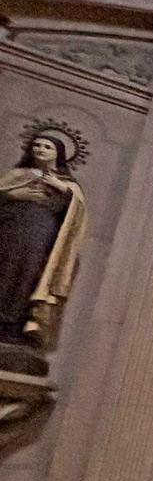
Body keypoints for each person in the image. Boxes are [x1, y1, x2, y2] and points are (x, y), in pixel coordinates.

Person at [0, 134, 87, 350]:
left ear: (58, 153)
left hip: (40, 233)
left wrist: (61, 188)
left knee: (28, 275)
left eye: (47, 146)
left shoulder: (67, 183)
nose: (41, 149)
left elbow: (77, 212)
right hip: (10, 229)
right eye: (37, 145)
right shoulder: (15, 174)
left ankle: (14, 324)